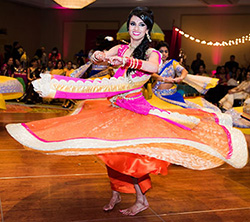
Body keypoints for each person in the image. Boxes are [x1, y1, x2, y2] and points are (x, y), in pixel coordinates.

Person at [6, 6, 248, 217]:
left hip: (138, 111)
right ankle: (116, 194)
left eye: (141, 25)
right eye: (133, 23)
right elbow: (100, 58)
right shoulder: (120, 48)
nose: (135, 28)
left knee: (131, 160)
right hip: (114, 108)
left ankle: (142, 200)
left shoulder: (150, 52)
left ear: (147, 29)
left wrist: (128, 63)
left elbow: (153, 67)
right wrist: (98, 55)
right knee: (110, 155)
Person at [152, 41, 188, 107]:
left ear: (168, 54)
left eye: (166, 51)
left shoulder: (172, 63)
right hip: (156, 95)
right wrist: (164, 79)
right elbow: (153, 75)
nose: (164, 54)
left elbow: (184, 71)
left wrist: (180, 78)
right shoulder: (154, 64)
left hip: (171, 95)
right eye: (161, 51)